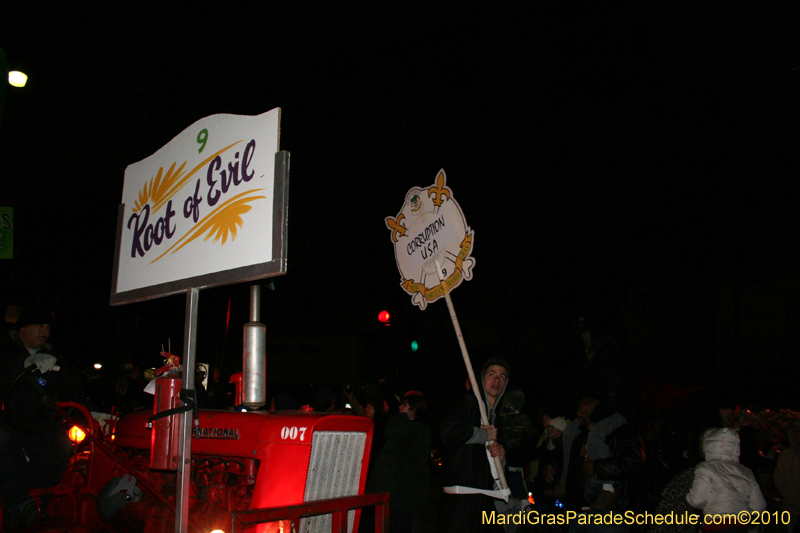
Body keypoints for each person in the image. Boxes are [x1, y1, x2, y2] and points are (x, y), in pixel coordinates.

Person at [0, 307, 94, 529]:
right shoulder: (5, 351)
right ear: (23, 329)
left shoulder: (54, 358)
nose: (45, 331)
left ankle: (37, 501)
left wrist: (92, 412)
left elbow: (73, 389)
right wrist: (21, 365)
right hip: (5, 417)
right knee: (3, 439)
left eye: (48, 327)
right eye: (40, 326)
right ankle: (16, 502)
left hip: (37, 422)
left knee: (60, 443)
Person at [438, 357, 509, 533]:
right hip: (462, 500)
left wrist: (500, 457)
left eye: (502, 377)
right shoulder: (469, 402)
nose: (497, 380)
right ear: (482, 379)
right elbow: (448, 432)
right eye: (492, 375)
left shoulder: (498, 419)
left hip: (484, 499)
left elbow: (495, 470)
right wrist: (482, 434)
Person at [366, 391, 431, 533]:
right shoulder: (409, 428)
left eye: (404, 405)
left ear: (412, 410)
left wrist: (402, 416)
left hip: (402, 497)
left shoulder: (415, 430)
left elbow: (391, 432)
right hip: (398, 496)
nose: (400, 408)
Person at [686, 427, 766, 533]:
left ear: (709, 446)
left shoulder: (705, 468)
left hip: (715, 525)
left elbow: (696, 500)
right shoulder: (746, 472)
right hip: (740, 526)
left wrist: (690, 498)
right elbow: (759, 506)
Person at [774, 419, 800, 533]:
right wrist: (790, 498)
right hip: (790, 508)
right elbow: (779, 479)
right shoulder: (787, 455)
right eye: (795, 431)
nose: (797, 434)